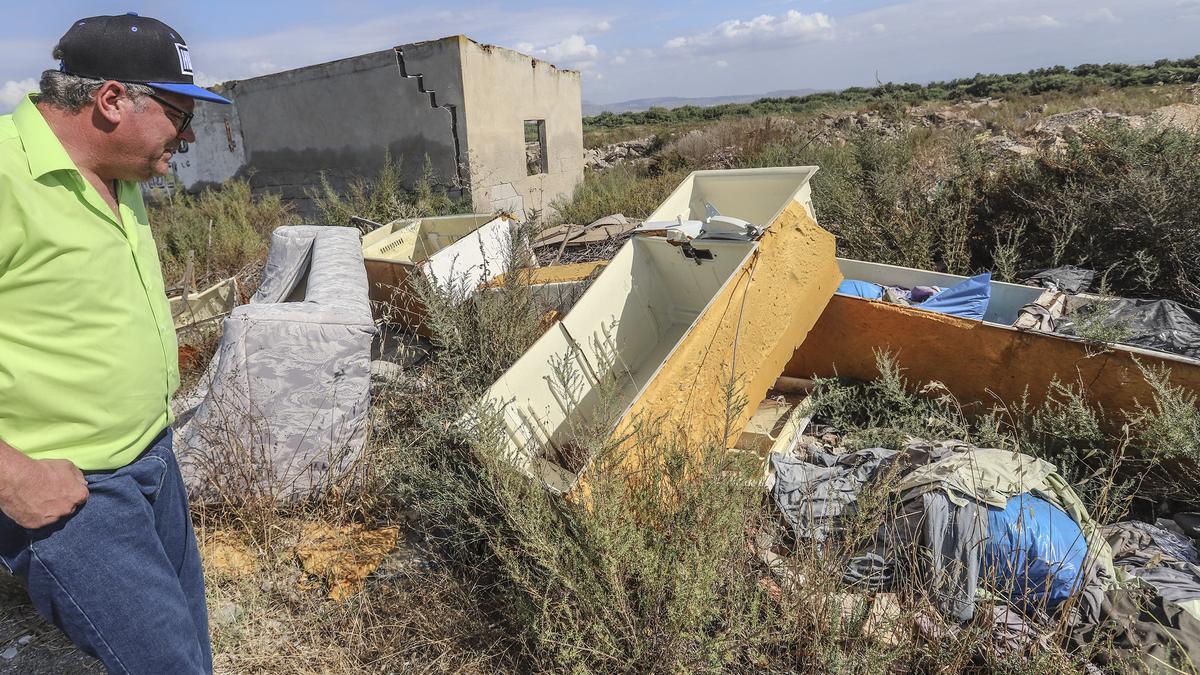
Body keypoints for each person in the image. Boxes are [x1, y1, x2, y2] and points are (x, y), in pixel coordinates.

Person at [0, 13, 230, 674]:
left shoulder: (123, 176)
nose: (186, 139)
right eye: (179, 116)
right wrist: (12, 475)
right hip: (73, 492)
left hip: (154, 462)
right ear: (110, 100)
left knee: (189, 645)